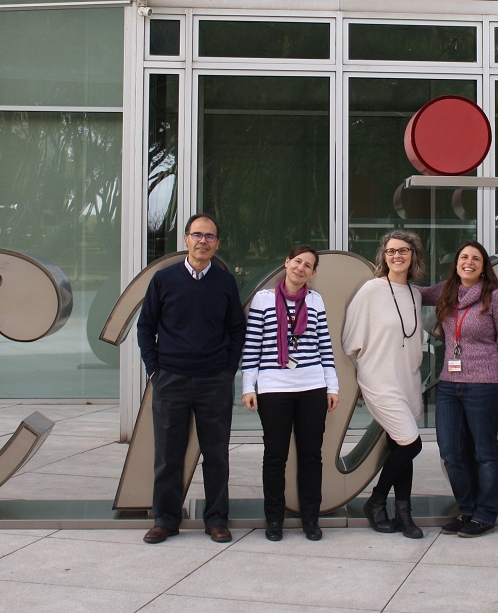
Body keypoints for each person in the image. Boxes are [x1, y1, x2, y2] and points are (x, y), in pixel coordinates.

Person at [136, 213, 245, 544]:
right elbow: (145, 328)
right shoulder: (164, 279)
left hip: (214, 380)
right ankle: (165, 520)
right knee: (169, 455)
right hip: (171, 380)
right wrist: (154, 369)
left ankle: (216, 519)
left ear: (217, 244)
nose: (203, 241)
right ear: (185, 240)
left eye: (210, 236)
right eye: (197, 235)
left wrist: (227, 370)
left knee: (216, 454)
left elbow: (236, 330)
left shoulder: (225, 283)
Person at [418, 241, 498, 538]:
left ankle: (485, 514)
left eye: (476, 258)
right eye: (464, 257)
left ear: (483, 265)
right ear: (457, 262)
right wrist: (385, 279)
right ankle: (467, 509)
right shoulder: (447, 290)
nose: (469, 262)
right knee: (451, 452)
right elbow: (415, 294)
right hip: (449, 383)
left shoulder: (496, 296)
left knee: (485, 452)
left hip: (485, 383)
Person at [241, 244, 339, 543]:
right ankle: (274, 519)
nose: (301, 268)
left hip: (312, 387)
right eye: (297, 262)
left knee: (311, 456)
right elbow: (253, 345)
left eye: (308, 265)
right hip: (273, 388)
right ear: (287, 263)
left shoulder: (316, 301)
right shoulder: (264, 299)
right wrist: (248, 386)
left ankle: (311, 518)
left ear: (313, 272)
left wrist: (332, 385)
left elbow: (324, 344)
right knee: (275, 457)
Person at [342, 230, 427, 539]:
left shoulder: (416, 294)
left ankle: (403, 514)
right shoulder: (371, 290)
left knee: (400, 445)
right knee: (412, 443)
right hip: (380, 380)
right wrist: (362, 378)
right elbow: (351, 338)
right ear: (384, 256)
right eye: (391, 251)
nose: (396, 256)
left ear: (413, 255)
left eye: (403, 250)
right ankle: (377, 501)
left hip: (408, 379)